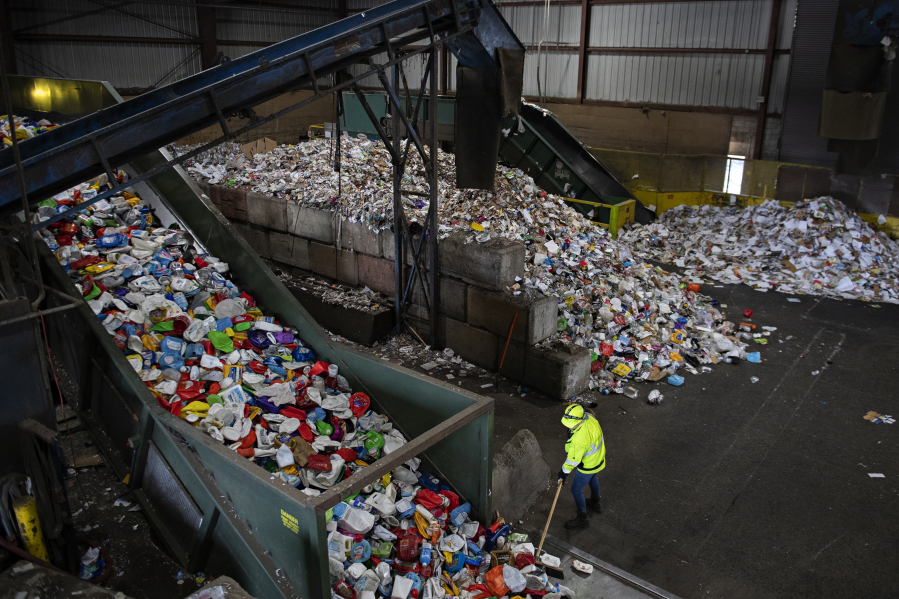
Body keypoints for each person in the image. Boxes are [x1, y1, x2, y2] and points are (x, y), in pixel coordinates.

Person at [557, 403, 606, 530]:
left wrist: (563, 473)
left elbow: (573, 460)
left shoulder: (579, 439)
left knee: (576, 490)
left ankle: (583, 518)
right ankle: (596, 503)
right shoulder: (589, 417)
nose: (569, 427)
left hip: (588, 464)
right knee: (593, 479)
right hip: (598, 458)